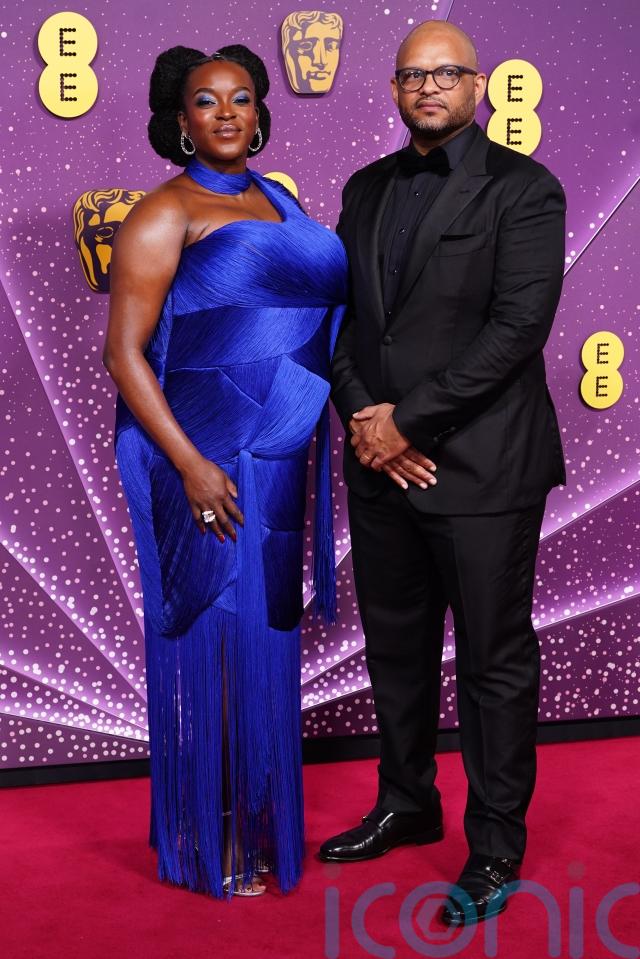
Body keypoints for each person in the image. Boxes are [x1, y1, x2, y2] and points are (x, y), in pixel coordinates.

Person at [321, 20, 566, 927]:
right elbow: (346, 322)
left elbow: (517, 329)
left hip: (482, 467)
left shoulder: (526, 189)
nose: (428, 86)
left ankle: (495, 844)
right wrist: (364, 419)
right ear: (394, 90)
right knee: (397, 646)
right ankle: (407, 802)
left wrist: (406, 422)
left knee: (493, 661)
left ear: (478, 86)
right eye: (412, 75)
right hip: (380, 464)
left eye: (446, 72)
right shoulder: (365, 187)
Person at [103, 44, 347, 898]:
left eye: (241, 98)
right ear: (182, 121)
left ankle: (256, 819)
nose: (227, 113)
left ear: (259, 112)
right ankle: (210, 835)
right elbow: (124, 354)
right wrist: (191, 464)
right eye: (207, 101)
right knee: (214, 634)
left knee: (266, 636)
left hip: (278, 457)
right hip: (203, 457)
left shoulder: (281, 200)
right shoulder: (162, 212)